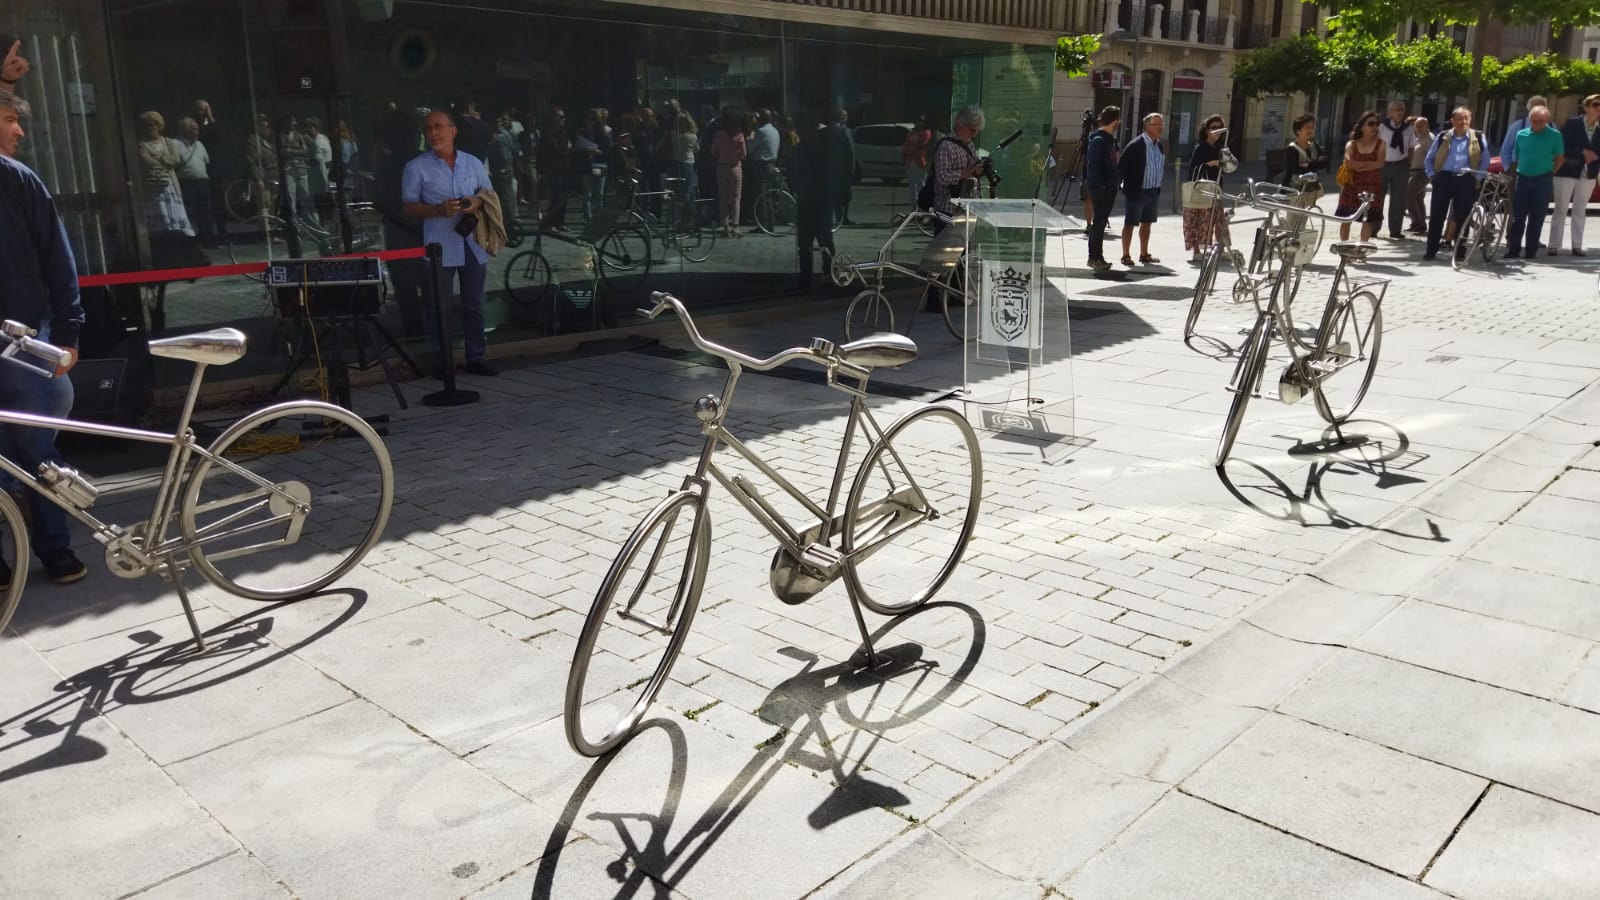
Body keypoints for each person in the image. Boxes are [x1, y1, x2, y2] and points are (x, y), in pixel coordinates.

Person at [0, 90, 89, 584]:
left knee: (37, 445)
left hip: (25, 341)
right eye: (10, 119)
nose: (20, 131)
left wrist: (70, 332)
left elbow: (59, 257)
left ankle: (55, 547)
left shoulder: (17, 179)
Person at [401, 110, 496, 376]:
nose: (433, 133)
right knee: (438, 306)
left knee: (473, 303)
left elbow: (487, 193)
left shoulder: (473, 163)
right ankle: (443, 362)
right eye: (429, 128)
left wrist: (474, 202)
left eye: (439, 127)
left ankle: (475, 357)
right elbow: (408, 207)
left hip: (472, 242)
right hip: (439, 245)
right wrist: (436, 210)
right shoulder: (416, 167)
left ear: (453, 130)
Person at [376, 109, 427, 338]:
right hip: (425, 232)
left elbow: (380, 201)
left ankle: (415, 334)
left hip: (399, 235)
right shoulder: (425, 161)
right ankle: (436, 336)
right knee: (432, 290)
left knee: (406, 294)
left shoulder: (387, 164)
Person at [1421, 107, 1489, 261]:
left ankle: (1459, 252)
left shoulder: (1478, 137)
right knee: (1437, 217)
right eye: (1459, 118)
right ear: (1452, 120)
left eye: (1466, 118)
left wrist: (1477, 178)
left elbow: (1485, 160)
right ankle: (1431, 250)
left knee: (1462, 217)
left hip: (1466, 179)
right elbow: (1429, 158)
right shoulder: (1443, 136)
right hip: (1444, 179)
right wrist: (1432, 175)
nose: (1463, 122)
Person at [1505, 106, 1565, 259]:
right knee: (1518, 217)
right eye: (1534, 121)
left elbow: (1560, 158)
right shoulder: (1521, 134)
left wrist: (1551, 172)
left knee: (1536, 217)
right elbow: (1517, 155)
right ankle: (1513, 250)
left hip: (1542, 179)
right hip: (1523, 178)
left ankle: (1530, 252)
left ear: (1547, 121)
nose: (1537, 124)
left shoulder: (1554, 135)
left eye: (1541, 121)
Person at [1548, 94, 1600, 257]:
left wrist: (1595, 156)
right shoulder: (1573, 123)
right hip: (1567, 171)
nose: (1598, 108)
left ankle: (1576, 246)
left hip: (1588, 173)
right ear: (1586, 107)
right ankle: (1554, 245)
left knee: (1580, 209)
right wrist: (1582, 151)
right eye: (1595, 104)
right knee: (1561, 209)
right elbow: (1561, 146)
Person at [792, 111, 838, 293]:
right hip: (817, 201)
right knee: (819, 241)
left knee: (810, 243)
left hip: (811, 201)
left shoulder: (805, 150)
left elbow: (796, 174)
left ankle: (809, 278)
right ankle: (825, 275)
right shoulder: (821, 150)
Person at [136, 111, 195, 239]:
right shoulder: (142, 143)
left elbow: (175, 159)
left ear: (159, 125)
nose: (150, 127)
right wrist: (163, 161)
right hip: (152, 182)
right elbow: (145, 159)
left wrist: (162, 160)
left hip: (169, 183)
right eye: (147, 125)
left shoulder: (167, 142)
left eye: (153, 124)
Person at [1118, 112, 1166, 266]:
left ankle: (1144, 253)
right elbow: (1122, 167)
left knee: (1147, 223)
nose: (1160, 128)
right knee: (1130, 223)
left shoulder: (1159, 145)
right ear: (1147, 126)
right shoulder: (1136, 145)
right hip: (1137, 191)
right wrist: (1125, 186)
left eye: (1161, 125)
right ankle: (1125, 255)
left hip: (1153, 190)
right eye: (1156, 124)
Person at [1182, 114, 1231, 262]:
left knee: (1219, 220)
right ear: (1206, 130)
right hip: (1202, 188)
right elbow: (1194, 169)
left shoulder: (1220, 148)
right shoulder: (1201, 148)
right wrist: (1210, 164)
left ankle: (1221, 247)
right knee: (1199, 219)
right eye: (1213, 128)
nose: (1217, 131)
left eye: (1219, 128)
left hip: (1216, 187)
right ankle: (1197, 251)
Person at [1336, 112, 1386, 242]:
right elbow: (1348, 163)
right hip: (1351, 187)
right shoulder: (1351, 144)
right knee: (1346, 220)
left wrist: (1358, 165)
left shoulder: (1381, 144)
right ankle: (1344, 247)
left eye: (1376, 124)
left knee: (1367, 221)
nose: (1374, 127)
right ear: (1362, 126)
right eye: (1371, 124)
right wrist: (1369, 164)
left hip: (1372, 187)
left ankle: (1362, 249)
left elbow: (1379, 163)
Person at [1083, 106, 1121, 272]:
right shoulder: (1099, 140)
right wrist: (1101, 186)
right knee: (1098, 223)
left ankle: (1097, 256)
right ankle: (1094, 257)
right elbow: (1093, 167)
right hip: (1101, 188)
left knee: (1100, 223)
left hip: (1108, 186)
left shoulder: (1108, 139)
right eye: (1118, 120)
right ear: (1115, 121)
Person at [175, 116, 219, 247]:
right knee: (187, 212)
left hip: (202, 182)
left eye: (197, 129)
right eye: (194, 129)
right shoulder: (175, 144)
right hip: (186, 182)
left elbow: (206, 161)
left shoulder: (199, 144)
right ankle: (187, 242)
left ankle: (207, 240)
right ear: (185, 130)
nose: (197, 132)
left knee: (205, 212)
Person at [1376, 100, 1416, 240]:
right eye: (1396, 110)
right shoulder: (1382, 128)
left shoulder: (1409, 128)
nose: (1399, 112)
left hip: (1401, 165)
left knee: (1398, 200)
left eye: (1402, 110)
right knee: (1377, 198)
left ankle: (1395, 230)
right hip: (1383, 165)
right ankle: (1374, 228)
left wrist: (1409, 165)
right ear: (1390, 112)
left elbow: (1411, 148)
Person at [711, 111, 746, 237]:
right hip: (735, 168)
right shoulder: (739, 136)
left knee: (723, 198)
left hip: (722, 167)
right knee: (736, 198)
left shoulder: (718, 135)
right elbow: (744, 154)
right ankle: (735, 226)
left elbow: (713, 152)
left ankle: (725, 225)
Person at [538, 107, 572, 234]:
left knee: (563, 196)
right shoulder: (547, 133)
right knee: (556, 195)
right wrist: (565, 148)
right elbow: (555, 149)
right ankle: (548, 223)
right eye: (561, 117)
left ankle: (560, 222)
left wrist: (565, 148)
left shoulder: (563, 132)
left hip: (564, 167)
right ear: (554, 118)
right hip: (553, 168)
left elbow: (567, 147)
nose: (563, 120)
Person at [747, 109, 780, 228]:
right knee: (768, 194)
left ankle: (763, 223)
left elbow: (750, 148)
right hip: (772, 164)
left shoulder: (761, 131)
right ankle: (770, 221)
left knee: (761, 195)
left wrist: (751, 134)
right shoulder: (775, 131)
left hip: (762, 165)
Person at [1499, 95, 1549, 171]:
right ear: (1529, 110)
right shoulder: (1517, 126)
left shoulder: (1551, 127)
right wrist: (1508, 169)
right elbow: (1505, 151)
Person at [488, 112, 520, 224]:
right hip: (500, 168)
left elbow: (514, 150)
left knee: (506, 195)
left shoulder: (502, 136)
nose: (497, 124)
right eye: (495, 122)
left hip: (504, 167)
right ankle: (509, 218)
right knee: (505, 195)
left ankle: (510, 219)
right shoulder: (499, 135)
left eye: (499, 121)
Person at [827, 108, 856, 227]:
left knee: (834, 194)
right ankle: (843, 218)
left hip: (831, 169)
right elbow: (850, 151)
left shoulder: (828, 130)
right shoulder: (844, 131)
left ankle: (836, 217)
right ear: (843, 118)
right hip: (843, 170)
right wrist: (852, 169)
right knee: (845, 196)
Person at [1405, 117, 1433, 235]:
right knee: (1417, 198)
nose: (1418, 128)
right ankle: (1420, 225)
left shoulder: (1429, 139)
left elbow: (1431, 157)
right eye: (1416, 126)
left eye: (1421, 126)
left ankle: (1418, 223)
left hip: (1422, 172)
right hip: (1415, 171)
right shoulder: (1418, 138)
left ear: (1427, 126)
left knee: (1407, 194)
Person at [901, 115, 933, 210]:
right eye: (918, 120)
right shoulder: (911, 133)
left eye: (922, 121)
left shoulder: (926, 133)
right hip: (910, 163)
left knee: (921, 186)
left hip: (920, 162)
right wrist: (910, 149)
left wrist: (911, 149)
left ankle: (923, 209)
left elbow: (921, 147)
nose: (920, 123)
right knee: (912, 187)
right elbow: (905, 146)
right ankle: (914, 208)